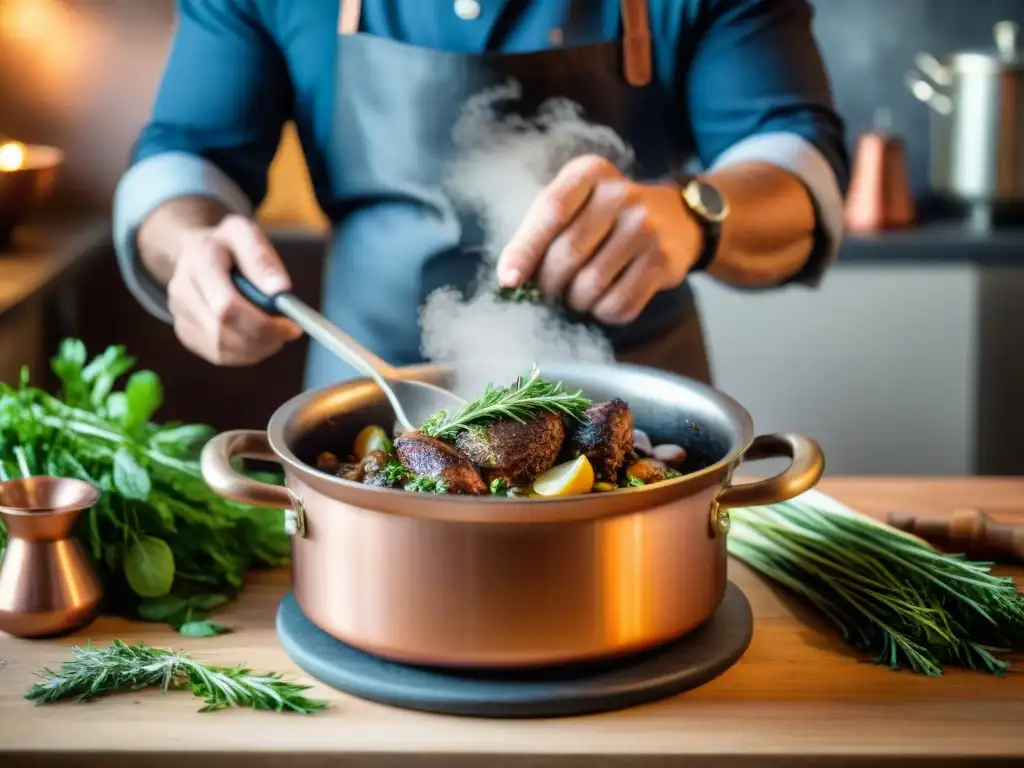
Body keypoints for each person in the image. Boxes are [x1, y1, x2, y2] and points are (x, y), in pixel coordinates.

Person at [113, 0, 847, 390]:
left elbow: (796, 162)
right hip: (368, 406)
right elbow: (185, 154)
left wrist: (695, 215)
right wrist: (191, 248)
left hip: (643, 422)